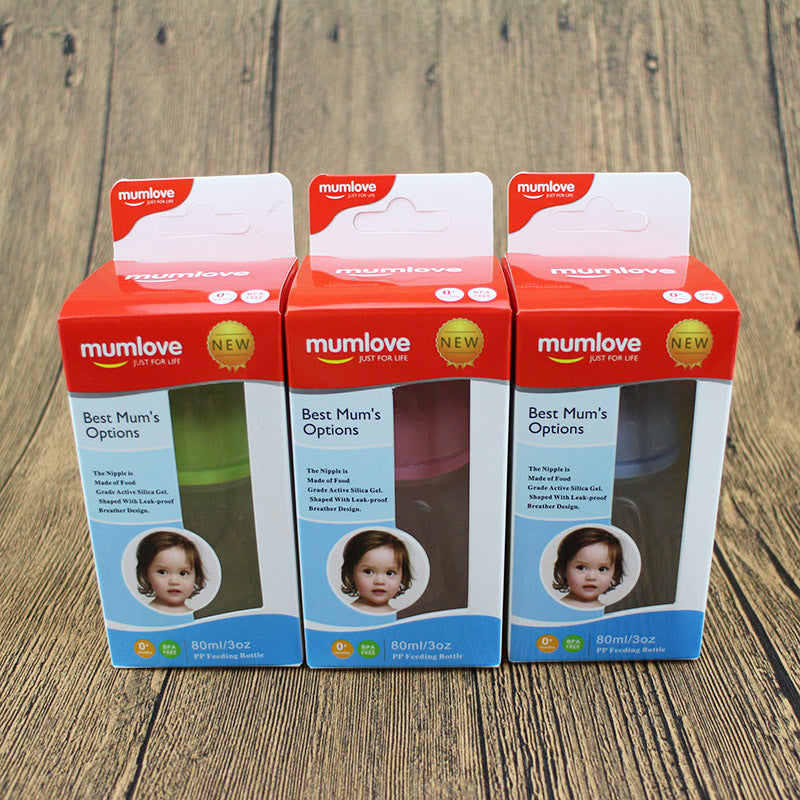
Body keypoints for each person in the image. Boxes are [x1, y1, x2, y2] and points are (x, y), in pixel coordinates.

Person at [341, 530, 413, 613]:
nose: (380, 581)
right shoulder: (345, 613)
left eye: (390, 573)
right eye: (368, 572)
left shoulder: (400, 617)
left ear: (403, 576)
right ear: (351, 574)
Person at [136, 531, 206, 614]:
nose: (174, 582)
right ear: (146, 574)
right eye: (162, 572)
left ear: (196, 576)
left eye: (183, 573)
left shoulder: (197, 617)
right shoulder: (143, 614)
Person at [553, 527, 624, 609]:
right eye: (581, 568)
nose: (591, 577)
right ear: (563, 569)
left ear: (614, 573)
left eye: (602, 569)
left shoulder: (609, 611)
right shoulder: (556, 608)